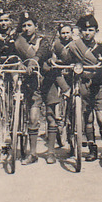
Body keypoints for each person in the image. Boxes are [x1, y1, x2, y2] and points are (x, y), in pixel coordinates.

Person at [60, 15, 102, 162]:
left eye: (90, 30)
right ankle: (92, 149)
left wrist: (101, 67)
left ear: (96, 31)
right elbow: (66, 62)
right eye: (84, 30)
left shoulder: (101, 48)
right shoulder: (74, 47)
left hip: (98, 87)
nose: (87, 33)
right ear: (80, 32)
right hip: (82, 86)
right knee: (87, 119)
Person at [13, 11, 50, 165]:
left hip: (43, 82)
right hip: (27, 83)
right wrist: (18, 63)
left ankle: (42, 153)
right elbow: (11, 54)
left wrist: (34, 60)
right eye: (24, 26)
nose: (27, 28)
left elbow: (43, 52)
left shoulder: (43, 41)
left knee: (43, 116)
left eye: (29, 25)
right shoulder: (18, 41)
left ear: (36, 26)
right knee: (26, 116)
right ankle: (28, 150)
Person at [41, 23, 72, 163]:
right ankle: (51, 152)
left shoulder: (76, 45)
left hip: (71, 76)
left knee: (73, 110)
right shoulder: (56, 45)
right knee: (51, 113)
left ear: (72, 33)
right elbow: (51, 58)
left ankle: (73, 144)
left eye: (67, 32)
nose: (65, 35)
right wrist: (53, 61)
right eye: (63, 33)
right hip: (56, 76)